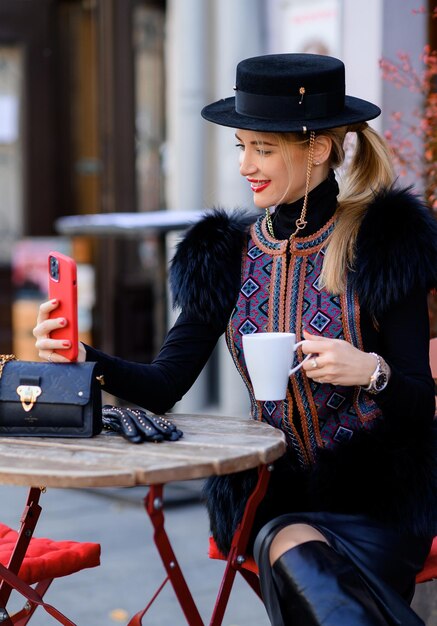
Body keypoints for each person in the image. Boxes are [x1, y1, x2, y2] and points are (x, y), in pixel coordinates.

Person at [34, 54, 437, 625]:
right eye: (240, 146)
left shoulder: (384, 242)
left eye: (263, 149)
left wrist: (371, 370)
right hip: (267, 497)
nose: (246, 165)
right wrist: (83, 357)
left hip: (380, 506)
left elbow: (420, 400)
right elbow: (164, 383)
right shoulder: (224, 252)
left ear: (316, 149)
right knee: (289, 543)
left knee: (304, 568)